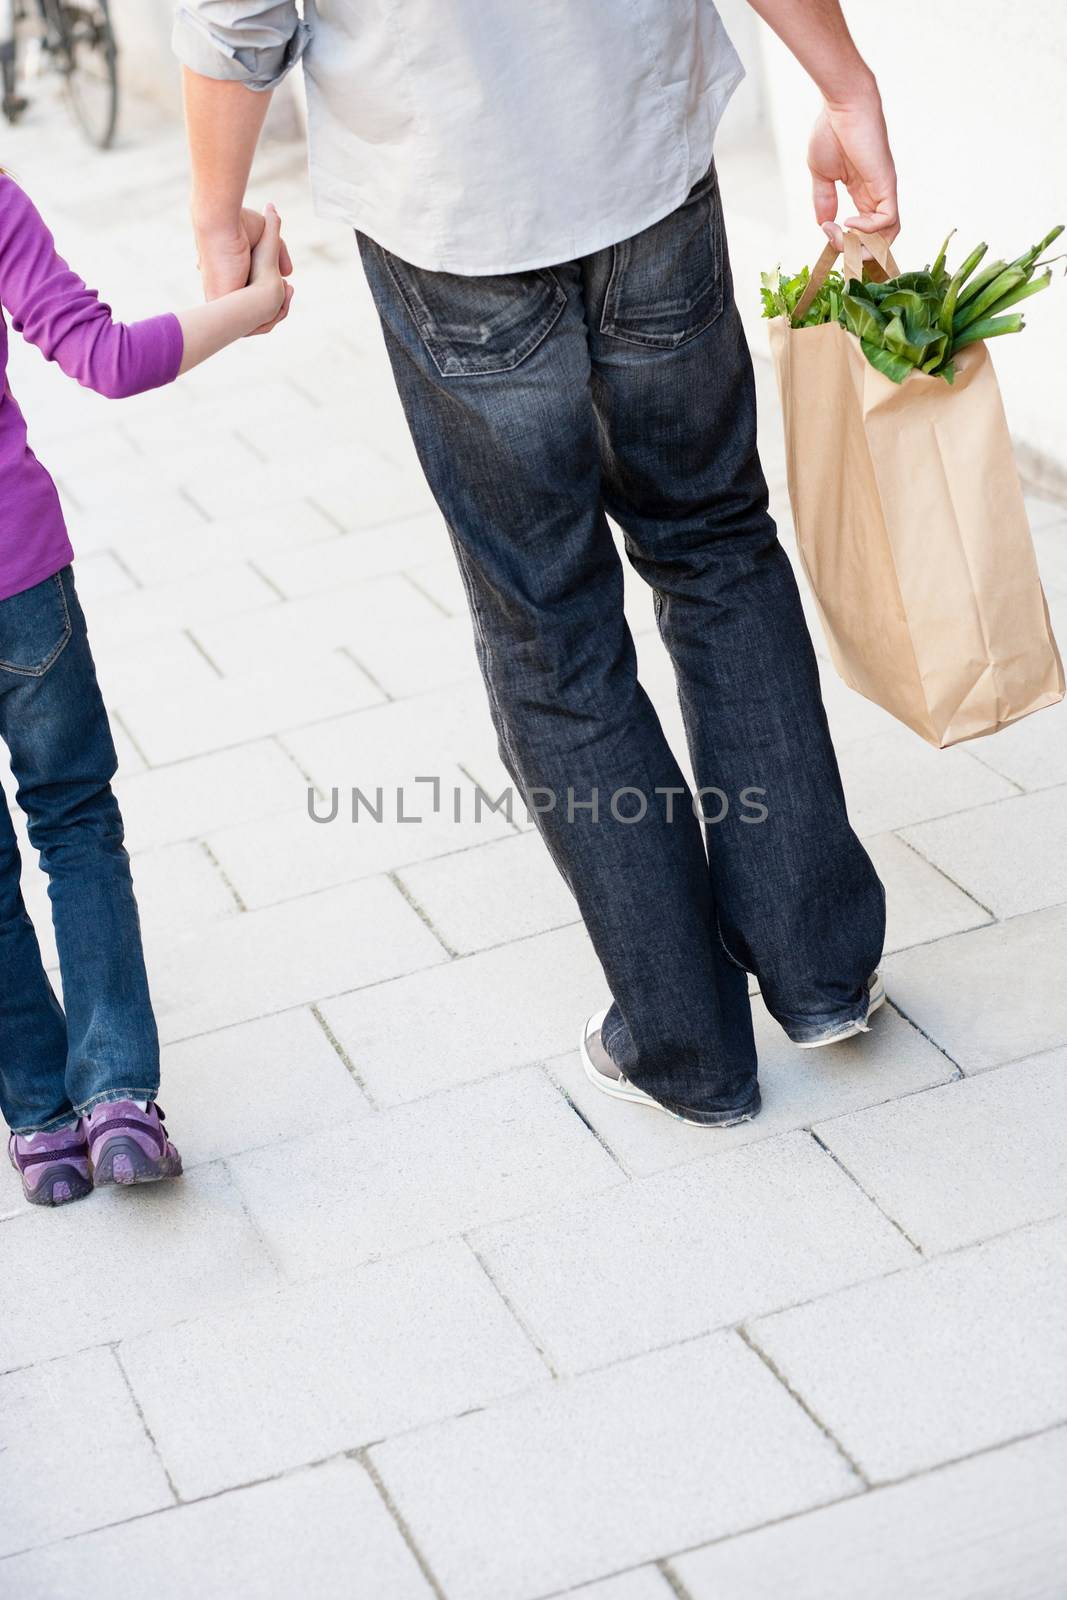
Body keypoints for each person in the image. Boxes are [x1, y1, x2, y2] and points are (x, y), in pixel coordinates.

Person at [174, 0, 894, 1127]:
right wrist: (842, 84)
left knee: (549, 626)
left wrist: (218, 218)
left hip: (445, 199)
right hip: (637, 147)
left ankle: (686, 1046)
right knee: (713, 541)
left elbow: (238, 16)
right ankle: (818, 975)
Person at [0, 173, 290, 1204]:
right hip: (18, 580)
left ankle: (39, 1126)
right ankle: (118, 1098)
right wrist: (251, 304)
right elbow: (108, 360)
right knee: (74, 819)